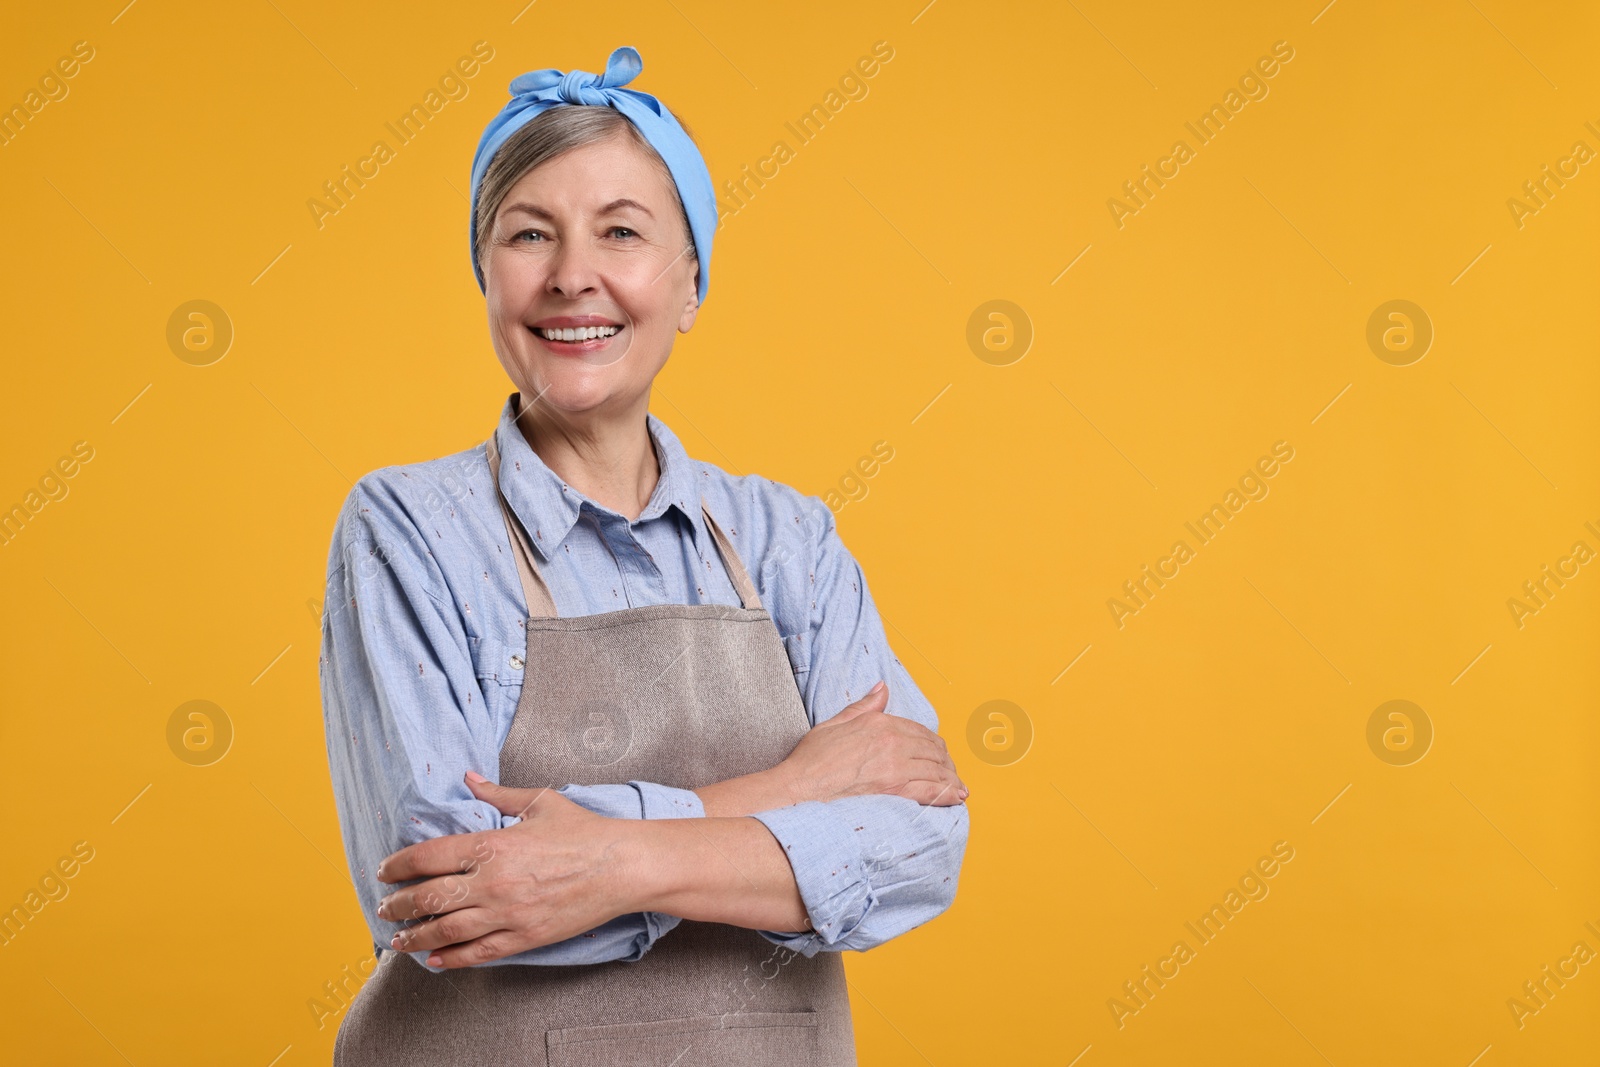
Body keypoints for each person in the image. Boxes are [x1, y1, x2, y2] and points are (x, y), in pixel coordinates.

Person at [317, 45, 970, 1065]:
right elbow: (447, 887)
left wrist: (599, 856)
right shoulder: (408, 527)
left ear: (693, 282)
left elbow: (915, 846)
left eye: (621, 231)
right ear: (486, 274)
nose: (573, 274)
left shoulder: (787, 540)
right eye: (530, 233)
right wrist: (788, 789)